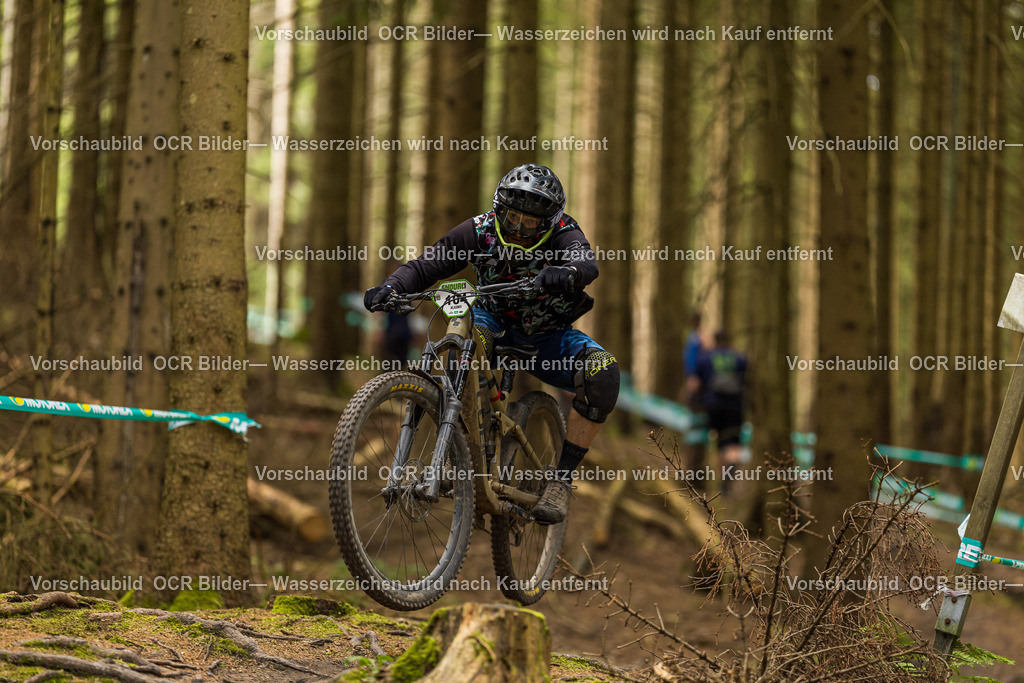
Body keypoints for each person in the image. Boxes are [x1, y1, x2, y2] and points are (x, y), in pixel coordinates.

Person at [364, 163, 620, 524]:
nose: (517, 228)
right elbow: (426, 266)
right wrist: (391, 288)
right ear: (499, 209)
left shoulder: (565, 231)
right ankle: (460, 451)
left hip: (548, 337)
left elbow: (585, 263)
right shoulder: (479, 229)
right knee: (461, 345)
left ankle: (560, 479)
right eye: (512, 216)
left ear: (547, 222)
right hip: (492, 321)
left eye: (529, 222)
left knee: (603, 373)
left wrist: (569, 272)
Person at [694, 330, 747, 494]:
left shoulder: (706, 358)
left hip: (713, 404)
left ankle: (720, 478)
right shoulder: (739, 358)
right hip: (735, 405)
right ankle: (728, 480)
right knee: (733, 442)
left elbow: (695, 383)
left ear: (715, 341)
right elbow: (746, 380)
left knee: (717, 441)